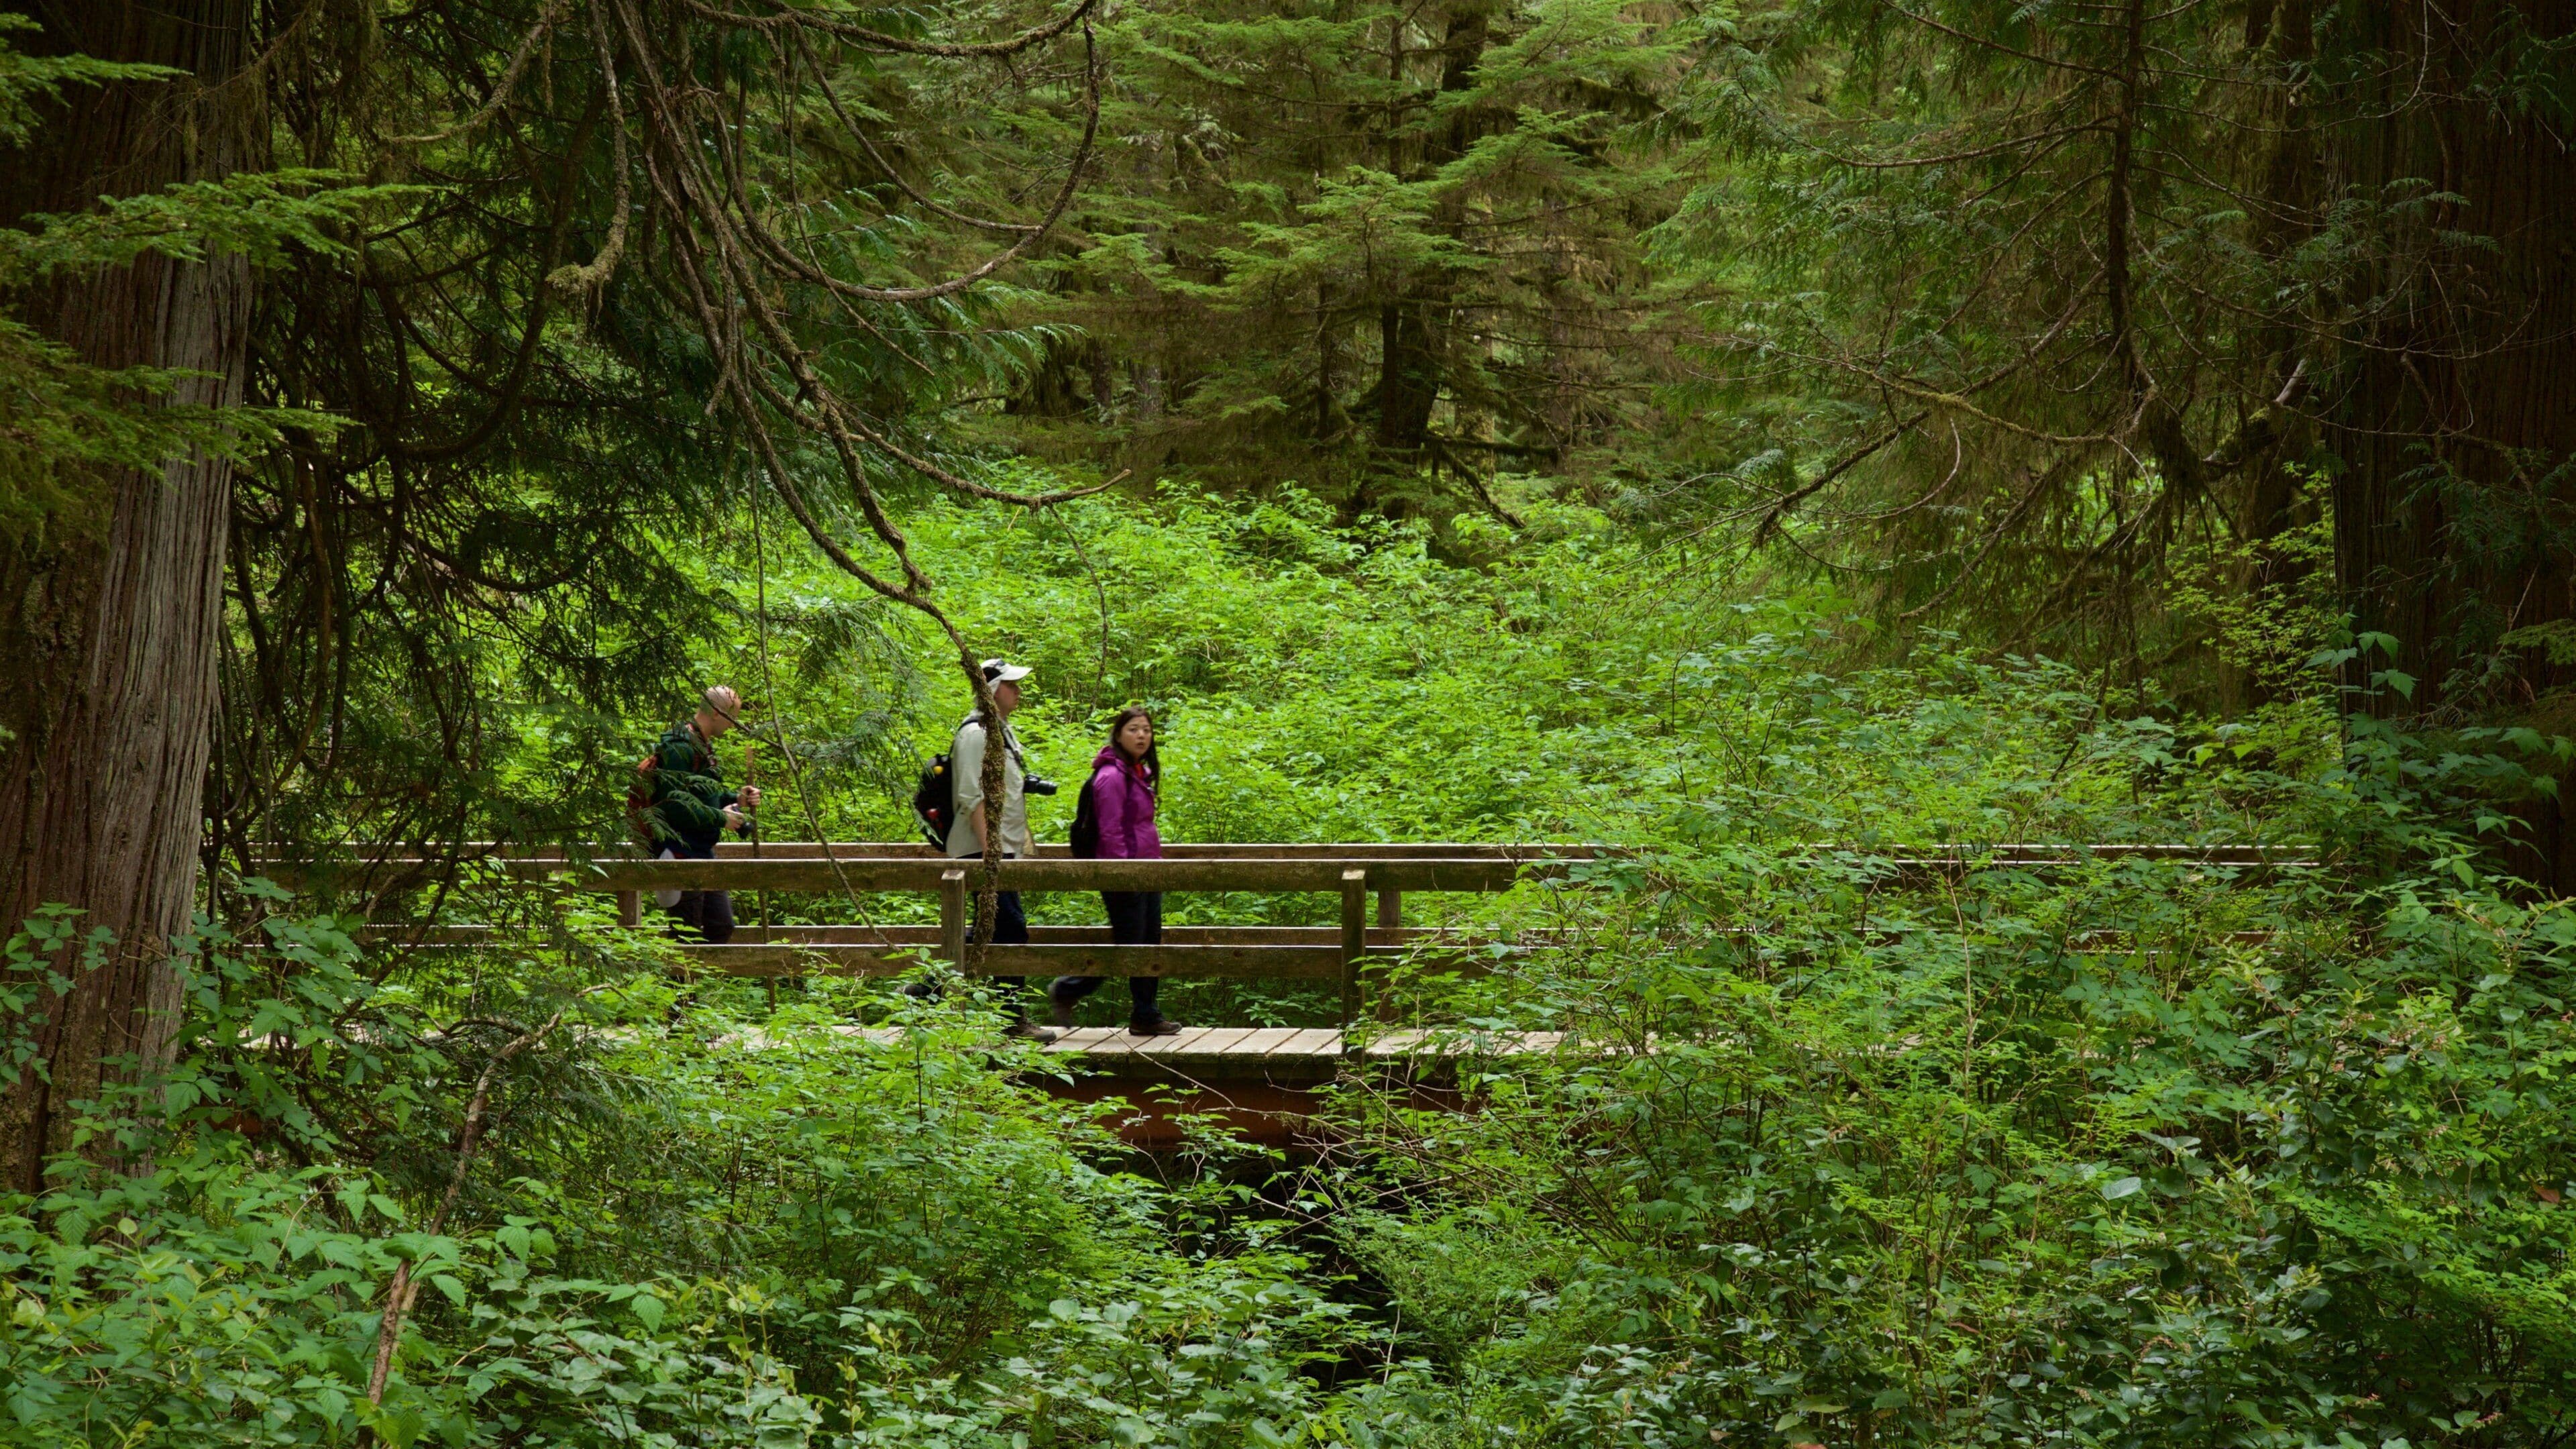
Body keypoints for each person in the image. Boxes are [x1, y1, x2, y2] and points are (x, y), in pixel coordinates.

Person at [1051, 707, 1183, 1035]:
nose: (1142, 735)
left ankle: (1146, 1015)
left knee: (1148, 944)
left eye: (1146, 730)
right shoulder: (1111, 777)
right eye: (1134, 729)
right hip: (1124, 874)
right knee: (1130, 945)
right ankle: (1069, 989)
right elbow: (1110, 831)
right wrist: (1123, 873)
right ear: (1119, 735)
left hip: (1147, 870)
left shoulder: (1138, 773)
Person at [947, 659, 1056, 1040]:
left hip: (999, 849)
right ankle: (1011, 1020)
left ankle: (928, 988)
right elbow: (971, 796)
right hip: (983, 852)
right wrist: (991, 853)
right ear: (992, 691)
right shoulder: (975, 735)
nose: (1018, 691)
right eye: (1011, 685)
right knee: (1011, 927)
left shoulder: (1000, 732)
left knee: (990, 928)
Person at [632, 686, 761, 943]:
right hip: (679, 851)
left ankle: (707, 972)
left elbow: (702, 796)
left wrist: (736, 799)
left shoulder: (701, 744)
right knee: (686, 935)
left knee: (720, 926)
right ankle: (679, 972)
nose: (733, 724)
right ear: (716, 713)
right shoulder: (680, 747)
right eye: (732, 717)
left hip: (701, 851)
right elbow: (676, 806)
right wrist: (721, 818)